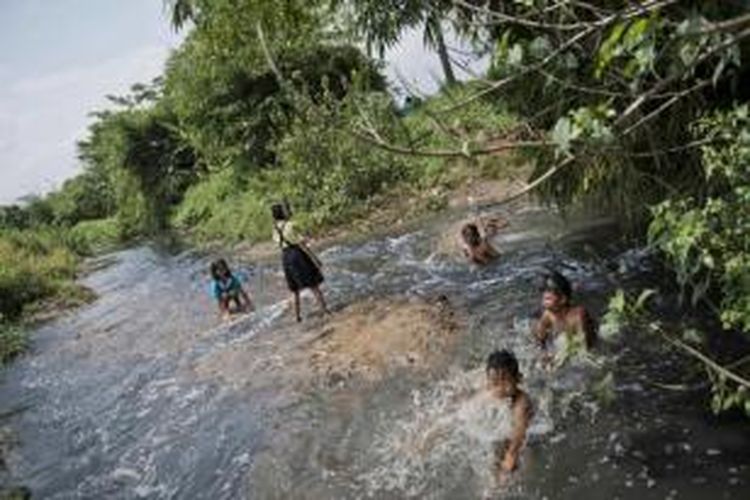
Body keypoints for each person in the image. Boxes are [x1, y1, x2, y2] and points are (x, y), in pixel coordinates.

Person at [271, 202, 330, 322]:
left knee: (294, 290)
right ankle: (324, 311)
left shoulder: (275, 228)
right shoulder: (291, 225)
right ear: (283, 213)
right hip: (297, 255)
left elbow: (277, 243)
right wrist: (315, 258)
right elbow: (302, 244)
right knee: (313, 284)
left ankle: (297, 317)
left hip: (285, 257)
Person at [486, 349, 533, 474]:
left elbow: (519, 429)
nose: (501, 388)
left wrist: (512, 453)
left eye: (505, 381)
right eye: (495, 382)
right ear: (488, 382)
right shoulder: (489, 393)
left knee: (507, 458)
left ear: (518, 379)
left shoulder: (521, 402)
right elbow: (465, 409)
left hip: (521, 432)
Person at [533, 271, 597, 357]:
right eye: (544, 296)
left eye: (548, 298)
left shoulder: (578, 315)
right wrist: (545, 355)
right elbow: (539, 340)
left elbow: (586, 346)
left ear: (563, 299)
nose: (544, 300)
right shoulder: (548, 315)